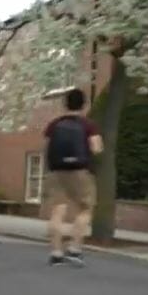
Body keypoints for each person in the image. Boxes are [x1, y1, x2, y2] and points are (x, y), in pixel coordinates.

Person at [43, 88, 104, 267]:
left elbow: (46, 147)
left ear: (65, 104)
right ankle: (74, 250)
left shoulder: (54, 125)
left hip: (56, 171)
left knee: (57, 212)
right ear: (84, 105)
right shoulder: (88, 125)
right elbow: (97, 149)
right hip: (80, 172)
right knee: (85, 210)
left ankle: (56, 253)